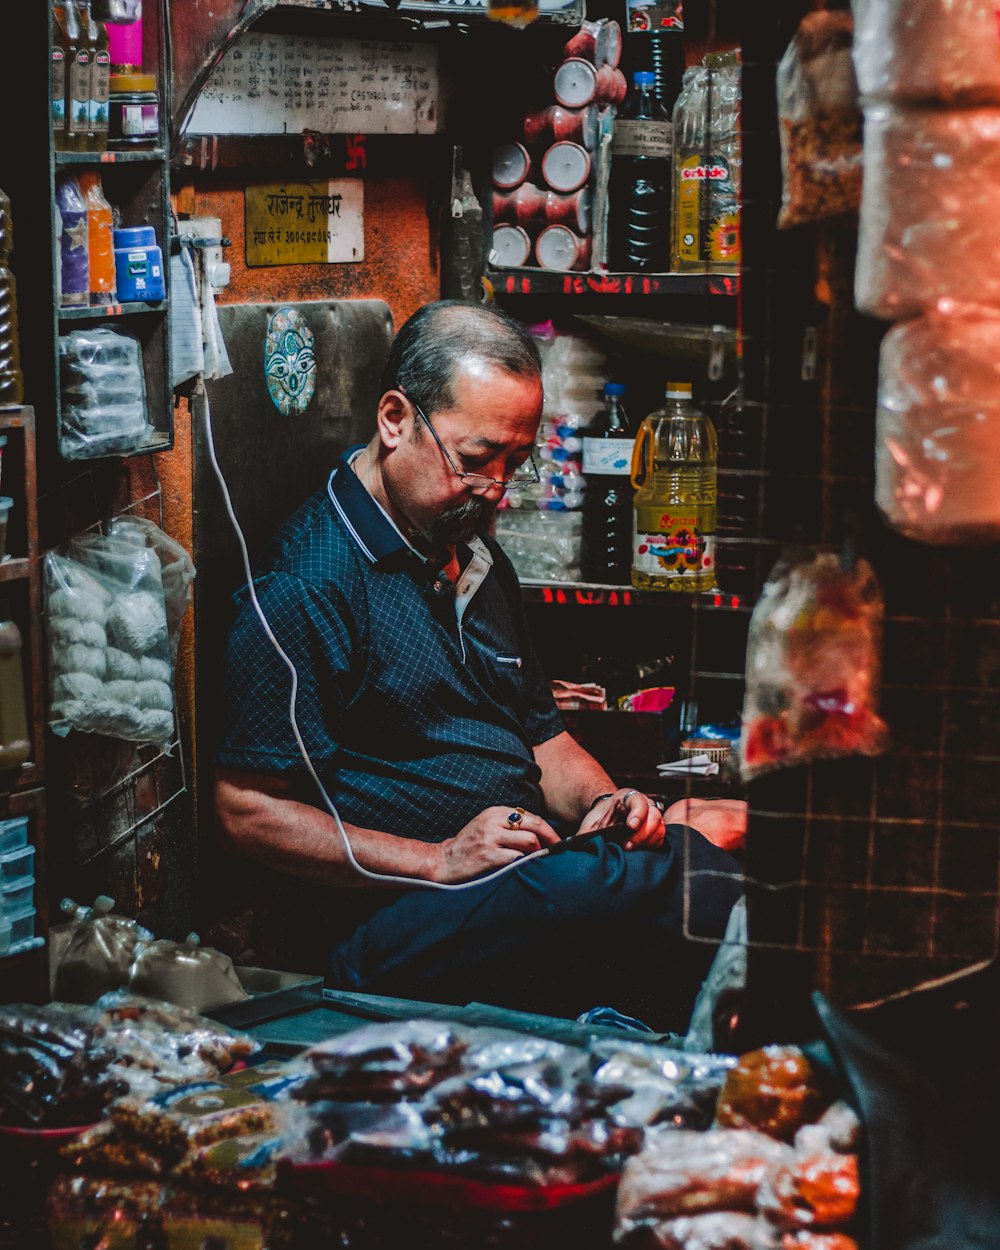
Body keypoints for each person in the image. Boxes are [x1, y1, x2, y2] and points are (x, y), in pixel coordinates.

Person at [215, 300, 746, 1030]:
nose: (496, 489)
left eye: (515, 463)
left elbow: (543, 737)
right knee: (647, 888)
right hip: (391, 920)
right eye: (474, 461)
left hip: (515, 880)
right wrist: (438, 857)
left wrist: (602, 803)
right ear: (395, 419)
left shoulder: (472, 556)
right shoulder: (306, 583)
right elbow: (246, 811)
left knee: (655, 868)